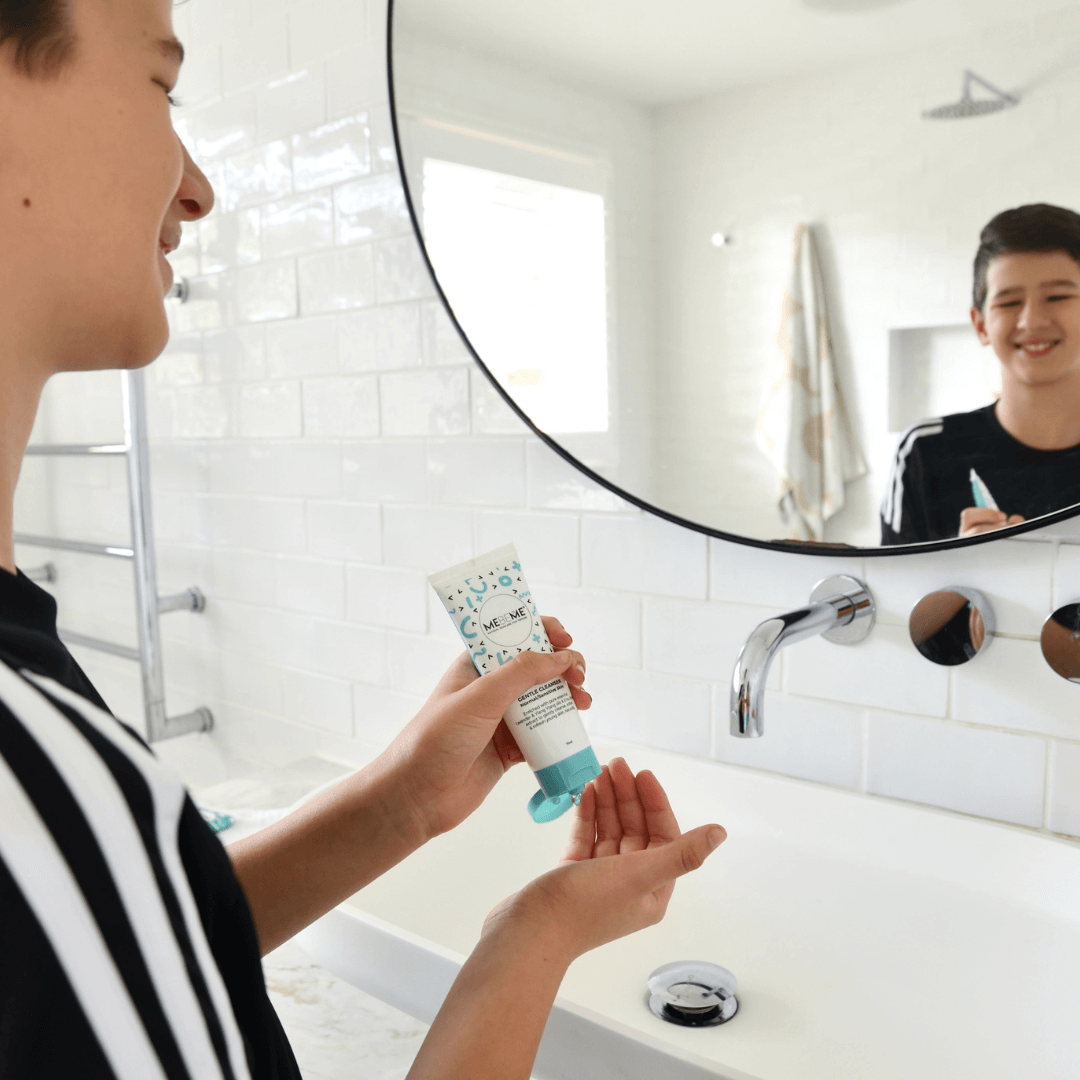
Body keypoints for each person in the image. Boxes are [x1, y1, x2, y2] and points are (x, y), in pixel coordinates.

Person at [0, 3, 726, 1078]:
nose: (198, 187)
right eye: (163, 88)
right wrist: (529, 942)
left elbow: (122, 955)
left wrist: (399, 802)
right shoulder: (24, 762)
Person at [881, 203, 1080, 545]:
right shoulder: (925, 453)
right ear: (980, 324)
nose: (1031, 321)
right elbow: (894, 597)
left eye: (1058, 296)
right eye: (1009, 302)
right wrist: (966, 568)